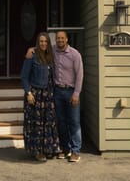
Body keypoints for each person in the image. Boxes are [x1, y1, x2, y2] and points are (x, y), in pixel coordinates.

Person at [26, 30, 83, 163]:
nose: (60, 40)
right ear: (55, 40)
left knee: (74, 122)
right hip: (57, 91)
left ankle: (75, 151)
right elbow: (41, 46)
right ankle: (65, 148)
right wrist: (31, 49)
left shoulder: (75, 55)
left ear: (67, 39)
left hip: (71, 91)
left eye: (62, 38)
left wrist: (76, 94)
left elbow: (80, 76)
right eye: (58, 38)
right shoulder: (52, 51)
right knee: (61, 122)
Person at [20, 32, 60, 162]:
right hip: (35, 95)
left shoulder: (50, 56)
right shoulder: (32, 55)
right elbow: (24, 77)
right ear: (38, 43)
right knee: (36, 125)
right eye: (41, 41)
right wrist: (28, 93)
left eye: (46, 41)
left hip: (48, 95)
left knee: (48, 123)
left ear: (48, 43)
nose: (43, 43)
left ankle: (48, 149)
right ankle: (38, 152)